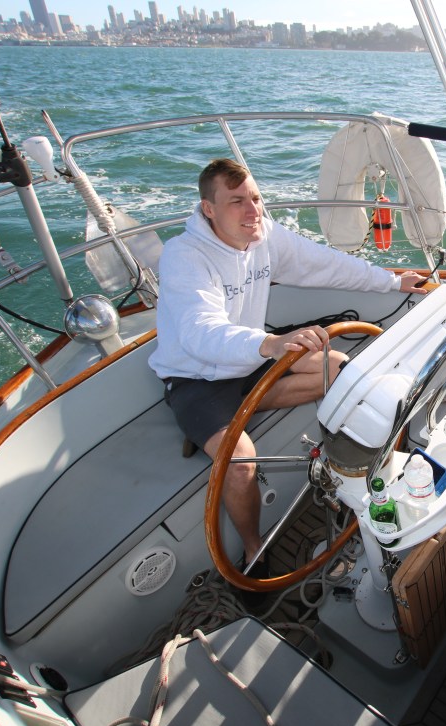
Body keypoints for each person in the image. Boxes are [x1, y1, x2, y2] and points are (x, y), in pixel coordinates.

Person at [149, 159, 427, 576]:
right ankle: (253, 551)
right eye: (237, 201)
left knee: (338, 367)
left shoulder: (264, 236)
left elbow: (321, 262)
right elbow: (197, 332)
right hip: (197, 378)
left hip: (248, 362)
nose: (252, 211)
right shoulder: (184, 256)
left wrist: (389, 282)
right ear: (209, 209)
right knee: (240, 458)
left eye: (257, 198)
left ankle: (252, 412)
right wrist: (269, 344)